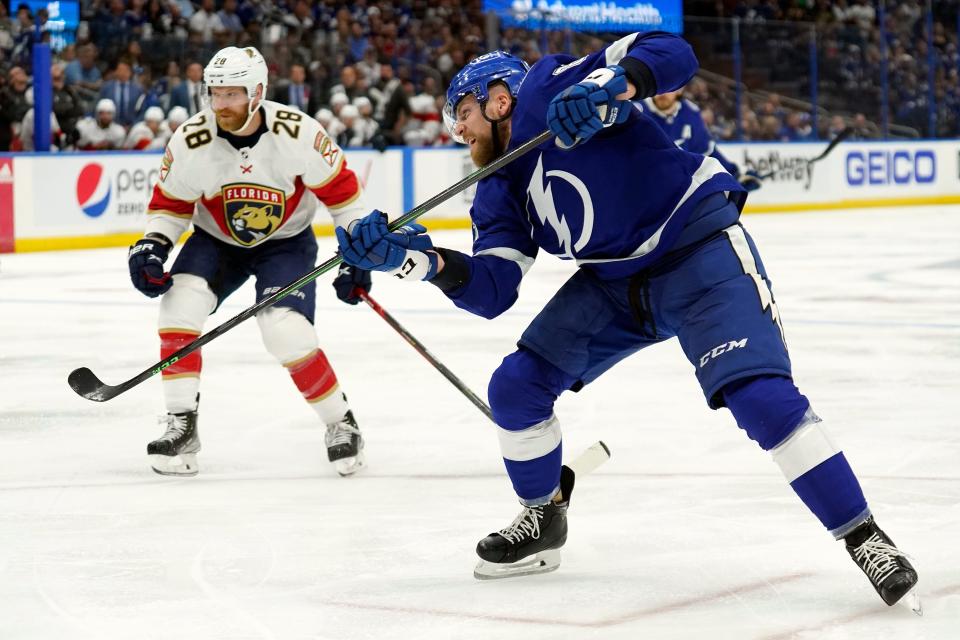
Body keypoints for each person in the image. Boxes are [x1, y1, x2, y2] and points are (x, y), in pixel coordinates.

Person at [335, 33, 920, 610]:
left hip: (697, 252)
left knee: (761, 398)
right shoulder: (498, 189)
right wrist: (412, 261)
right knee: (517, 388)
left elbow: (676, 52)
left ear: (499, 98)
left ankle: (865, 537)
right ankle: (544, 518)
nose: (457, 131)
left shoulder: (549, 86)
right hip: (615, 285)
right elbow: (492, 291)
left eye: (462, 113)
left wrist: (614, 85)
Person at [127, 46, 372, 478]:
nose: (220, 105)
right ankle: (182, 423)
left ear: (257, 92)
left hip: (286, 244)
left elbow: (345, 198)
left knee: (285, 331)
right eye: (214, 94)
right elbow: (170, 205)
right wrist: (153, 244)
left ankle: (340, 422)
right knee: (179, 306)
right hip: (216, 241)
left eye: (232, 94)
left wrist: (357, 255)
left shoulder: (297, 133)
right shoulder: (191, 139)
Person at [642, 87, 761, 197]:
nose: (663, 93)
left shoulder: (690, 113)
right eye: (660, 87)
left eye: (669, 88)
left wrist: (735, 175)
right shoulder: (638, 109)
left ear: (680, 90)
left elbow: (706, 150)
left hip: (677, 189)